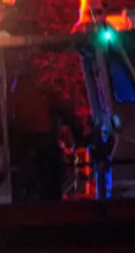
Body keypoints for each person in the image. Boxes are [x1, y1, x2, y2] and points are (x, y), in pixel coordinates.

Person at [7, 72, 83, 203]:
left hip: (30, 149)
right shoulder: (45, 96)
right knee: (49, 189)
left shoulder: (14, 98)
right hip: (41, 148)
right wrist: (79, 137)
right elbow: (67, 114)